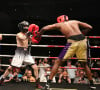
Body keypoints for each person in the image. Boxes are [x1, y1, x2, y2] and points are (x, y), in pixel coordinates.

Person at [40, 15, 96, 90]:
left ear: (59, 20)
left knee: (57, 62)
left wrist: (39, 34)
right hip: (83, 41)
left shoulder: (60, 24)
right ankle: (92, 85)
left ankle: (48, 84)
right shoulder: (75, 21)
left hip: (72, 43)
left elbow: (44, 28)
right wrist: (83, 33)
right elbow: (90, 27)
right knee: (84, 64)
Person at [0, 21, 42, 88]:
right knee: (10, 68)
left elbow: (33, 41)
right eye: (25, 26)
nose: (26, 27)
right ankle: (1, 80)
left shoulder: (27, 34)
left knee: (35, 67)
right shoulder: (18, 34)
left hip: (26, 52)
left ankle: (37, 84)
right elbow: (23, 38)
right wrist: (30, 32)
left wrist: (36, 36)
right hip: (19, 52)